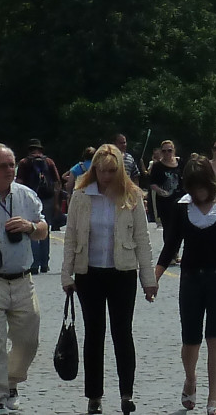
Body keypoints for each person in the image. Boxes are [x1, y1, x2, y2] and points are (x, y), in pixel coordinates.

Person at [63, 142, 157, 415]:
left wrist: (148, 279)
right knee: (94, 333)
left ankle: (126, 393)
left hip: (122, 272)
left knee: (122, 333)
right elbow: (70, 238)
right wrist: (66, 275)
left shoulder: (132, 196)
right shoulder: (81, 196)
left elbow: (142, 239)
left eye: (112, 171)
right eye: (102, 171)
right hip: (88, 272)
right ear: (95, 170)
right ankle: (94, 396)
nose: (106, 176)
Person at [154, 155, 216, 415]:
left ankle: (214, 399)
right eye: (193, 187)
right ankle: (190, 378)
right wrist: (156, 276)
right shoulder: (182, 207)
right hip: (191, 279)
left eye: (202, 187)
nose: (198, 192)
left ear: (210, 183)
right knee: (191, 341)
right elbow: (171, 245)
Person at [0, 144, 48, 415]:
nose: (9, 170)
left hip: (23, 278)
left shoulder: (25, 195)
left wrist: (29, 227)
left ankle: (11, 381)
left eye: (12, 164)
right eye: (3, 166)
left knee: (29, 339)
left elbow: (43, 229)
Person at [15, 141, 62, 276]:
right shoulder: (49, 162)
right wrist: (56, 201)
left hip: (30, 198)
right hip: (47, 198)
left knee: (32, 230)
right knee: (45, 229)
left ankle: (34, 264)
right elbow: (57, 182)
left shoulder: (24, 163)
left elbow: (19, 182)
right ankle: (45, 264)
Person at [144, 141, 182, 233]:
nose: (167, 153)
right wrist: (160, 191)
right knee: (168, 230)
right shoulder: (157, 166)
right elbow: (152, 183)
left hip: (180, 200)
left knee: (180, 228)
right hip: (164, 203)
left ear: (174, 150)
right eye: (164, 151)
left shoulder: (181, 163)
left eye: (169, 150)